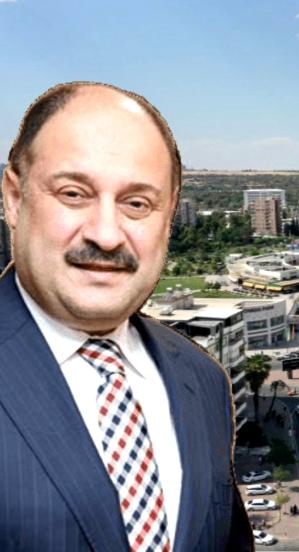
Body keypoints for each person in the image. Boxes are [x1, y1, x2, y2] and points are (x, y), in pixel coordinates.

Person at [0, 82, 253, 551]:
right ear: (14, 198)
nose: (107, 234)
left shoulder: (203, 380)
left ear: (169, 216)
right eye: (74, 193)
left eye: (137, 203)